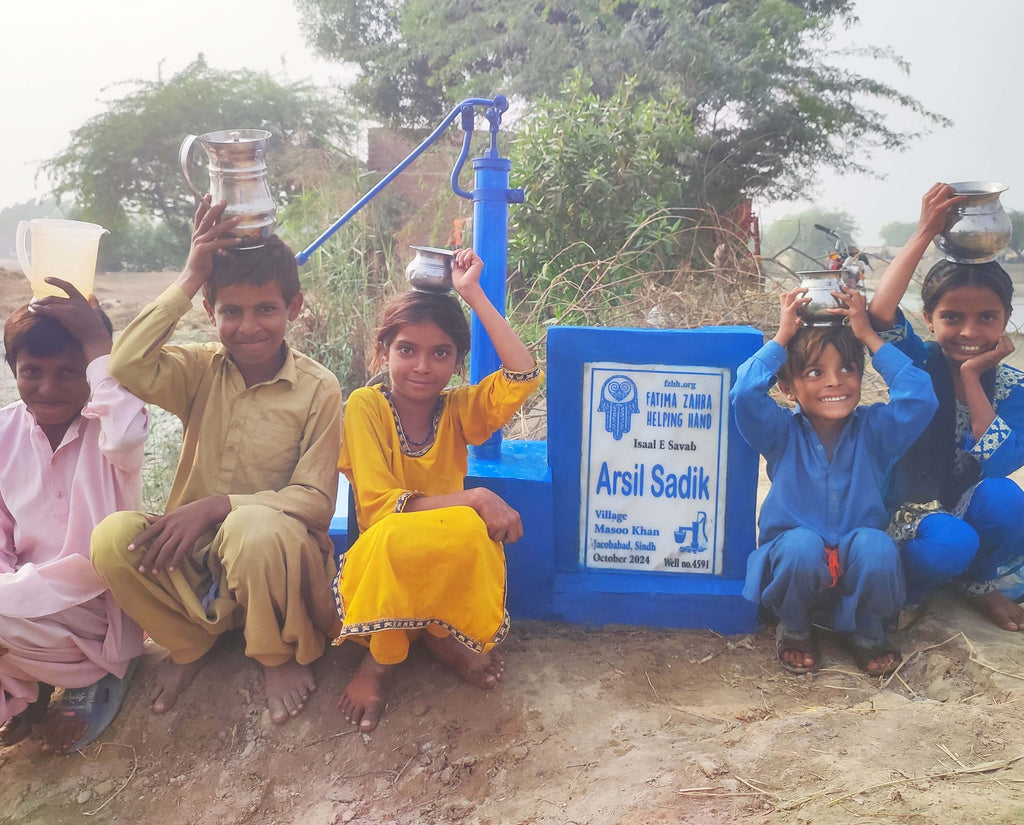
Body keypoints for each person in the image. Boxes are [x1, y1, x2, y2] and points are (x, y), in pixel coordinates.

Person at [91, 199, 342, 723]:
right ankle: (191, 644)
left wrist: (218, 505)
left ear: (293, 309)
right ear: (211, 313)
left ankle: (275, 653)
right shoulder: (200, 370)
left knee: (252, 527)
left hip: (274, 557)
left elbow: (316, 504)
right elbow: (125, 362)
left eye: (266, 310)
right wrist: (189, 275)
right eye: (231, 311)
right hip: (199, 560)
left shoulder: (318, 387)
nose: (248, 327)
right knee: (112, 539)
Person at [335, 248, 542, 731]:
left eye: (441, 353)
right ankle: (381, 662)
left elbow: (522, 376)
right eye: (407, 349)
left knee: (472, 532)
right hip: (384, 556)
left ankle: (439, 636)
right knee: (401, 537)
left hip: (440, 547)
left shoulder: (456, 409)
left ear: (457, 361)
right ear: (383, 352)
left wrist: (473, 294)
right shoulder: (365, 406)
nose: (423, 366)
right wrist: (475, 496)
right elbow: (381, 508)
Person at [731, 285, 936, 675]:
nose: (834, 382)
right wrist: (782, 338)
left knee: (876, 546)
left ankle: (866, 630)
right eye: (815, 372)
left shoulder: (876, 431)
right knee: (799, 545)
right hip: (795, 565)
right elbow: (743, 394)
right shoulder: (780, 434)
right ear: (788, 389)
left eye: (847, 368)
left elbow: (920, 399)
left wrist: (869, 338)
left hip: (860, 567)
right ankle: (793, 627)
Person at [868, 182, 1024, 632]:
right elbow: (880, 313)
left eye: (987, 318)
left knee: (1008, 502)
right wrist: (923, 232)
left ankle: (978, 584)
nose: (969, 331)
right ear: (929, 319)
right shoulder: (916, 364)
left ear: (1006, 318)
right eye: (952, 317)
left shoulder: (1013, 387)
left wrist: (974, 378)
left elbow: (1003, 461)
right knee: (950, 544)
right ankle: (909, 590)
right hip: (909, 507)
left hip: (969, 500)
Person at [0, 280, 146, 753]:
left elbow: (126, 433)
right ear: (12, 370)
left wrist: (99, 344)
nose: (48, 387)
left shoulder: (110, 426)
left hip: (97, 610)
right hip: (20, 608)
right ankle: (24, 687)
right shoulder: (4, 430)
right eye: (31, 371)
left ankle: (69, 678)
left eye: (69, 371)